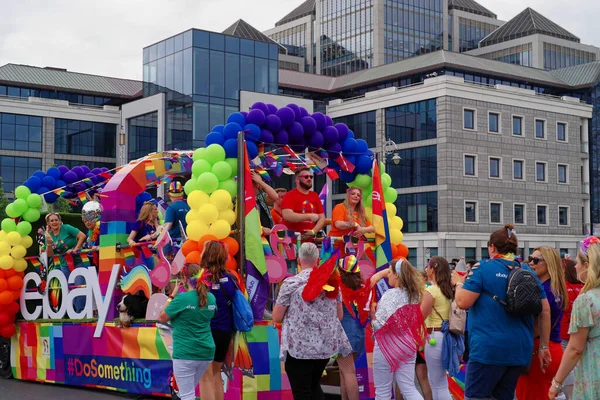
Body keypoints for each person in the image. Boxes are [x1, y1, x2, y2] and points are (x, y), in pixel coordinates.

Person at [452, 224, 551, 400]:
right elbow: (544, 310)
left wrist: (459, 282)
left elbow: (461, 302)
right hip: (519, 350)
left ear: (492, 247)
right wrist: (544, 346)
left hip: (488, 350)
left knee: (476, 396)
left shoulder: (482, 268)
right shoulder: (528, 271)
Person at [273, 243, 352, 400]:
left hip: (298, 349)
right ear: (317, 260)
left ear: (298, 260)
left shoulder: (290, 284)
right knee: (314, 386)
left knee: (302, 391)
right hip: (323, 348)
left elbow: (276, 317)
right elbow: (339, 315)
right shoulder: (332, 283)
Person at [549, 236, 600, 400]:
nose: (575, 266)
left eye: (578, 262)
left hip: (594, 372)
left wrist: (557, 382)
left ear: (587, 266)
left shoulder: (586, 300)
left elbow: (575, 348)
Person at [158, 263, 217, 400]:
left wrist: (172, 295)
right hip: (206, 352)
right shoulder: (211, 298)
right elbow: (211, 315)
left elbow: (161, 317)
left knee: (186, 395)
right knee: (187, 392)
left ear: (184, 279)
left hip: (185, 352)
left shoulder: (182, 299)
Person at [516, 246, 568, 400]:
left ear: (549, 264)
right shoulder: (556, 289)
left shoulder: (543, 291)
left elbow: (537, 326)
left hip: (539, 349)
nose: (531, 263)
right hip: (553, 348)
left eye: (536, 260)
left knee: (528, 394)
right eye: (530, 258)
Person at [371, 259, 426, 400]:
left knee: (382, 391)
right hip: (407, 344)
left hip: (385, 345)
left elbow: (380, 324)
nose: (387, 275)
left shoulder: (389, 295)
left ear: (396, 275)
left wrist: (373, 318)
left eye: (389, 272)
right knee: (408, 388)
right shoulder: (414, 295)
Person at [198, 241, 236, 400]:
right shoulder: (231, 278)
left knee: (204, 377)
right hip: (225, 331)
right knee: (216, 374)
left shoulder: (201, 278)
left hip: (206, 331)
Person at [420, 256, 453, 400]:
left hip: (435, 336)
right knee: (440, 382)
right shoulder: (449, 289)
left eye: (428, 266)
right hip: (448, 336)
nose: (426, 269)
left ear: (433, 269)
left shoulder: (432, 291)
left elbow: (420, 316)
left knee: (437, 382)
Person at [337, 255, 369, 400]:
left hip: (344, 334)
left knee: (348, 372)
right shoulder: (362, 287)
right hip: (358, 333)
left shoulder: (338, 288)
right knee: (344, 372)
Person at [41, 212, 86, 312]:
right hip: (64, 265)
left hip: (78, 262)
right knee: (70, 289)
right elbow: (50, 254)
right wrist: (48, 244)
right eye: (51, 221)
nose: (54, 222)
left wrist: (75, 249)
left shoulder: (67, 228)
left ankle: (80, 312)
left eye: (56, 220)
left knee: (79, 286)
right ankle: (77, 313)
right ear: (48, 223)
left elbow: (82, 236)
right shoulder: (49, 235)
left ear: (60, 221)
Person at [557, 259, 583, 398]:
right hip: (581, 333)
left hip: (563, 332)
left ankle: (570, 395)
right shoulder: (584, 287)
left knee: (566, 367)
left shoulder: (561, 287)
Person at [281, 167, 326, 241]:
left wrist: (313, 231)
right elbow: (287, 216)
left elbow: (322, 217)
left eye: (311, 177)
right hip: (291, 242)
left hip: (309, 241)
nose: (309, 179)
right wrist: (309, 216)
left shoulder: (314, 195)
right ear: (298, 179)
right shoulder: (289, 195)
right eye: (306, 177)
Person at [251, 170, 279, 236]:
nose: (263, 183)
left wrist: (260, 181)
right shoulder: (244, 198)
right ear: (257, 184)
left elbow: (275, 196)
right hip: (256, 236)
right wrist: (261, 229)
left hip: (268, 234)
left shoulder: (261, 196)